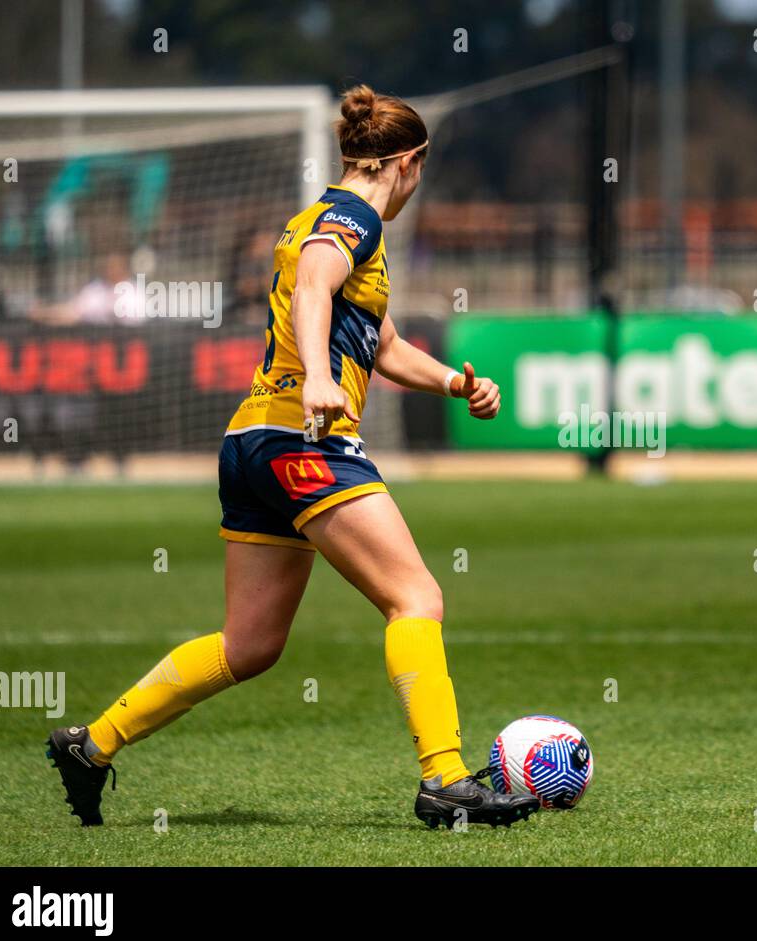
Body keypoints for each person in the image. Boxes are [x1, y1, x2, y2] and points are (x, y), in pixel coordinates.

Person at [45, 85, 538, 829]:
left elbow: (383, 344)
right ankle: (444, 780)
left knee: (248, 645)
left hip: (252, 442)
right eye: (420, 171)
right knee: (416, 598)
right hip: (307, 442)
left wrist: (454, 383)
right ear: (407, 161)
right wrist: (316, 377)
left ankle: (92, 745)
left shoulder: (323, 219)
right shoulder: (353, 219)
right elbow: (313, 286)